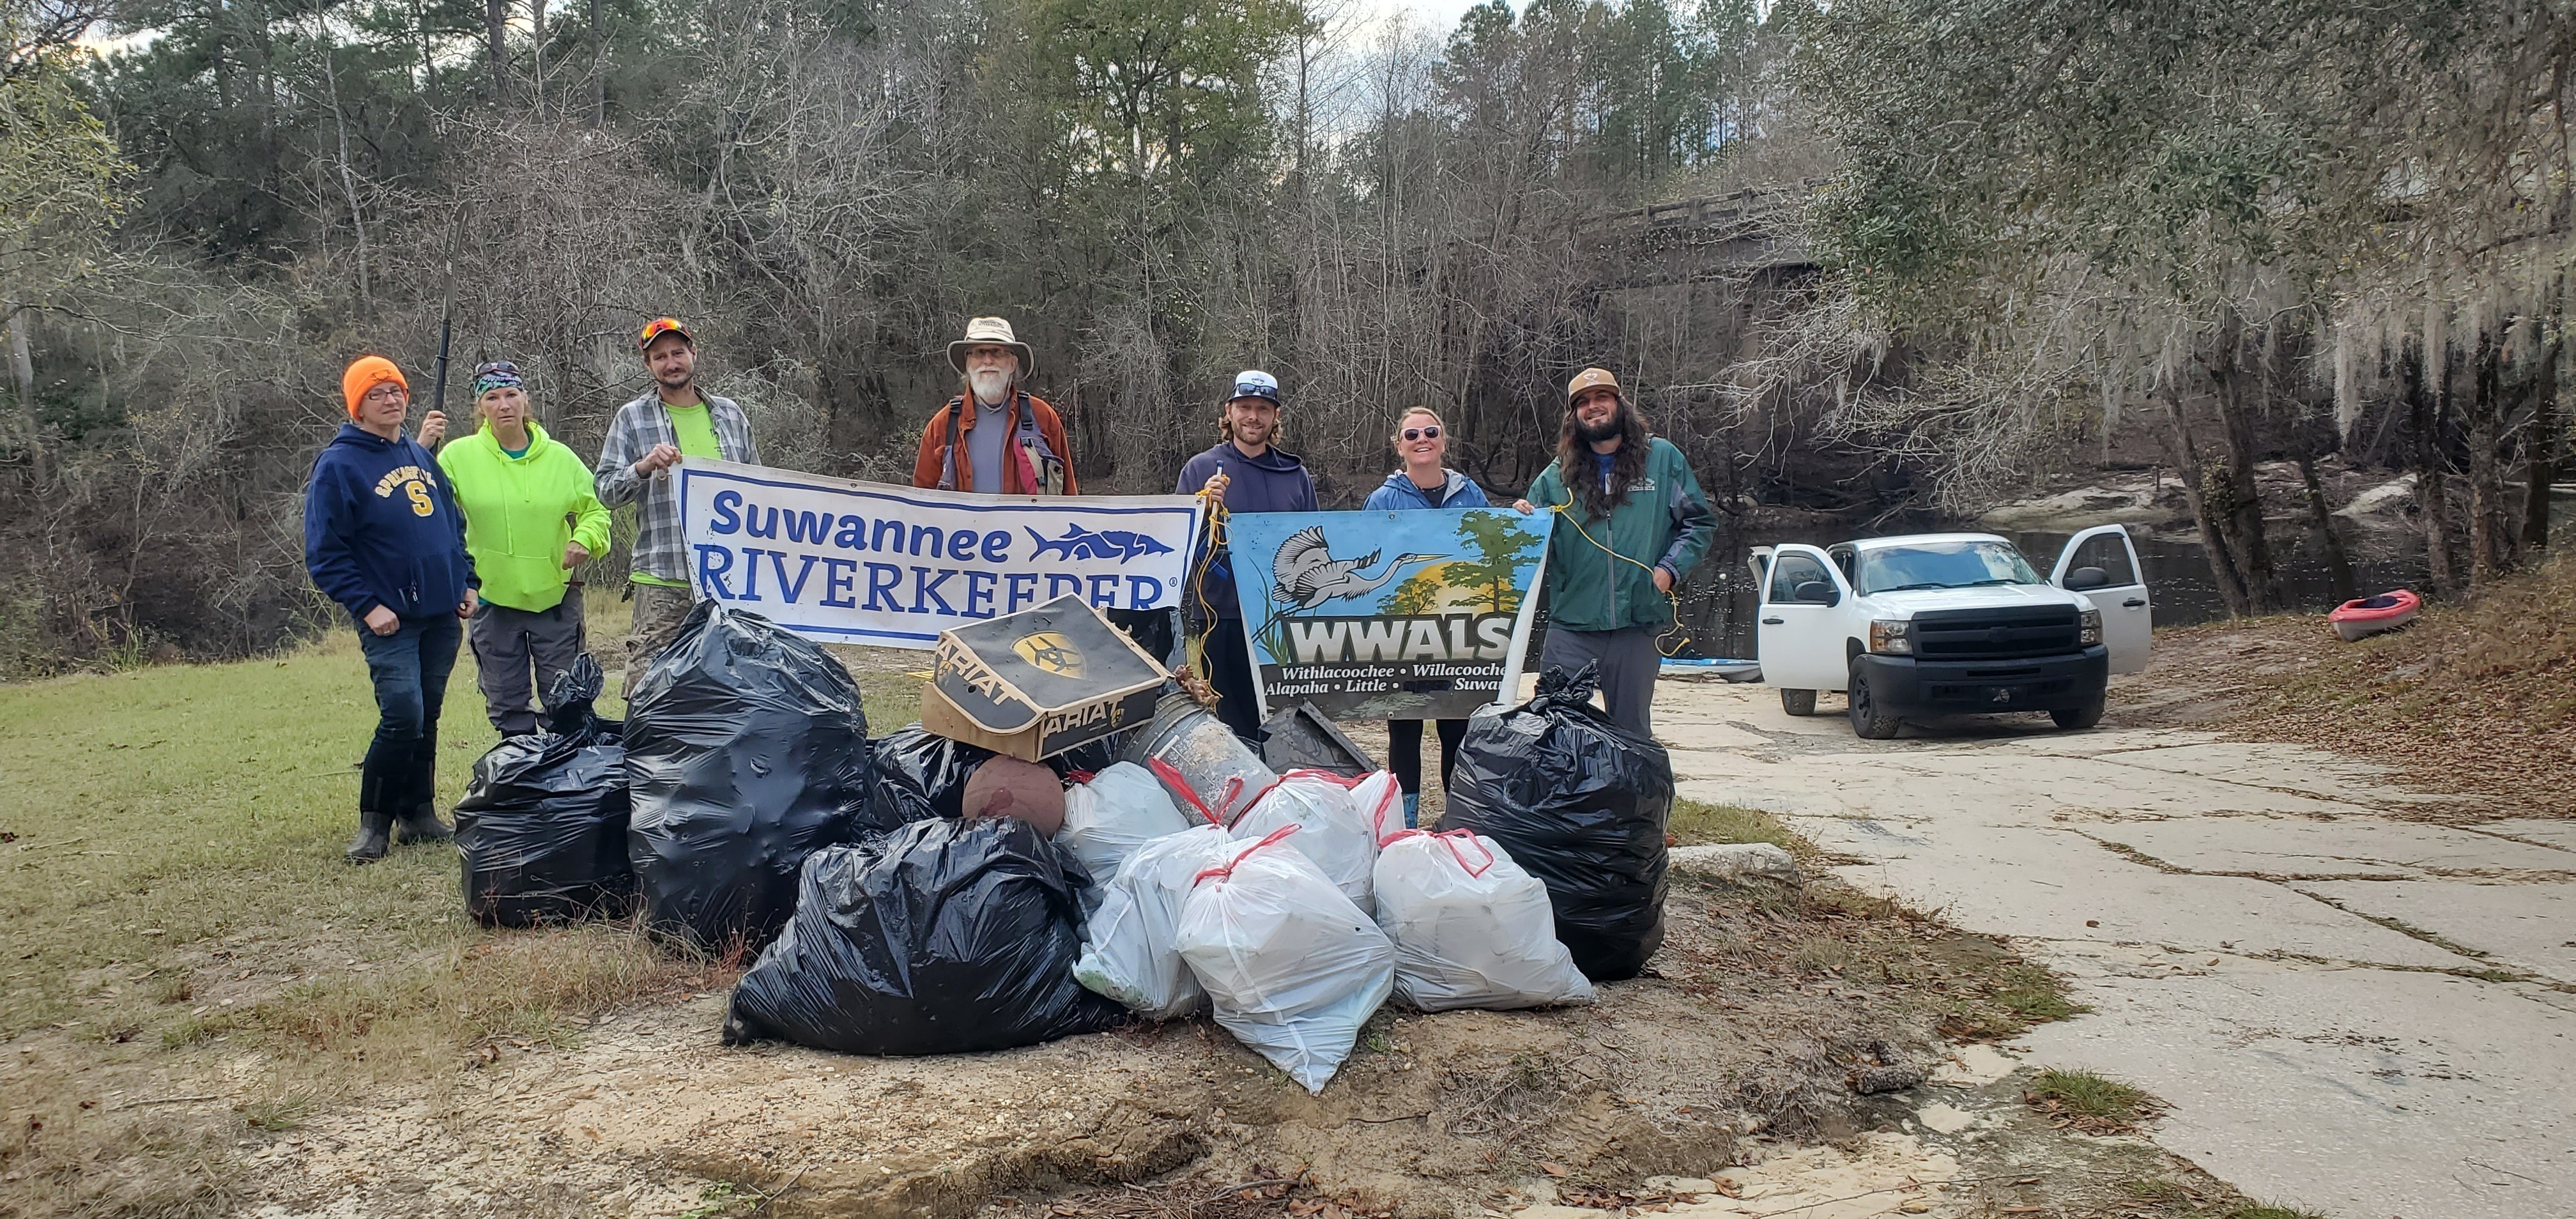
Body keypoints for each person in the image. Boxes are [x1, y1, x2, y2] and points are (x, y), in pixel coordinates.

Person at [305, 356, 476, 862]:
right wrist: (367, 605)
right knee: (402, 714)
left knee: (428, 713)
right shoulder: (339, 465)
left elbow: (452, 525)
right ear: (357, 405)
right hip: (390, 619)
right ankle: (374, 823)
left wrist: (467, 580)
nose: (391, 400)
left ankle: (419, 814)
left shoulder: (420, 456)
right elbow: (325, 552)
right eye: (376, 393)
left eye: (397, 390)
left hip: (442, 613)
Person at [1512, 367, 1713, 738]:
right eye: (1583, 403)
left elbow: (1699, 524)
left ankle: (1635, 799)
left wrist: (1670, 568)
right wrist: (1522, 519)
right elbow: (1526, 550)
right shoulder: (1556, 478)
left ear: (1619, 404)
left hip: (1638, 623)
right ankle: (1570, 798)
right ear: (1574, 417)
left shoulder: (1663, 459)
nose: (1593, 407)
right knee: (1555, 728)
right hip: (1573, 625)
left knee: (1632, 734)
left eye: (1601, 398)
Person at [438, 361, 613, 737]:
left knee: (564, 700)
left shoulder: (560, 459)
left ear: (525, 400)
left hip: (555, 599)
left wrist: (585, 539)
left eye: (511, 395)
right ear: (480, 407)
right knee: (506, 702)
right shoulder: (456, 457)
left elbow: (596, 511)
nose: (504, 405)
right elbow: (432, 515)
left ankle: (567, 779)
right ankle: (517, 776)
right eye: (493, 397)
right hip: (491, 599)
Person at [594, 318, 761, 686]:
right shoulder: (632, 418)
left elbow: (758, 491)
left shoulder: (730, 415)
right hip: (663, 576)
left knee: (730, 684)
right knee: (650, 686)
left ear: (693, 353)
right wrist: (643, 467)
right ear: (648, 365)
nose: (671, 363)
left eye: (677, 353)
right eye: (659, 356)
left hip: (729, 578)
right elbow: (604, 489)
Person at [1362, 405, 1491, 828]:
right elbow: (1365, 560)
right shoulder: (1381, 500)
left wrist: (1523, 519)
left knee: (1457, 725)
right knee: (1404, 728)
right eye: (1412, 434)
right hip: (1401, 632)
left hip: (1459, 628)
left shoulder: (1470, 494)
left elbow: (1496, 550)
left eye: (1430, 432)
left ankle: (1459, 818)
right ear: (1399, 446)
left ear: (1444, 441)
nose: (1422, 440)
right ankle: (1406, 821)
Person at [1175, 370, 1316, 742]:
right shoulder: (1201, 469)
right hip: (1219, 616)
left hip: (1278, 618)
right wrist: (1202, 506)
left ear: (1275, 417)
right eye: (1245, 407)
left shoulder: (1295, 475)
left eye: (1263, 409)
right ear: (1229, 412)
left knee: (1281, 720)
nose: (1253, 417)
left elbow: (1317, 544)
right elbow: (1178, 544)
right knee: (1225, 721)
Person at [910, 316, 1077, 495]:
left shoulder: (1043, 417)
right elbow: (921, 502)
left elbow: (1068, 495)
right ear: (968, 364)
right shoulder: (941, 425)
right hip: (963, 524)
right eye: (979, 353)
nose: (987, 361)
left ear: (1013, 364)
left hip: (1027, 524)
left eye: (996, 352)